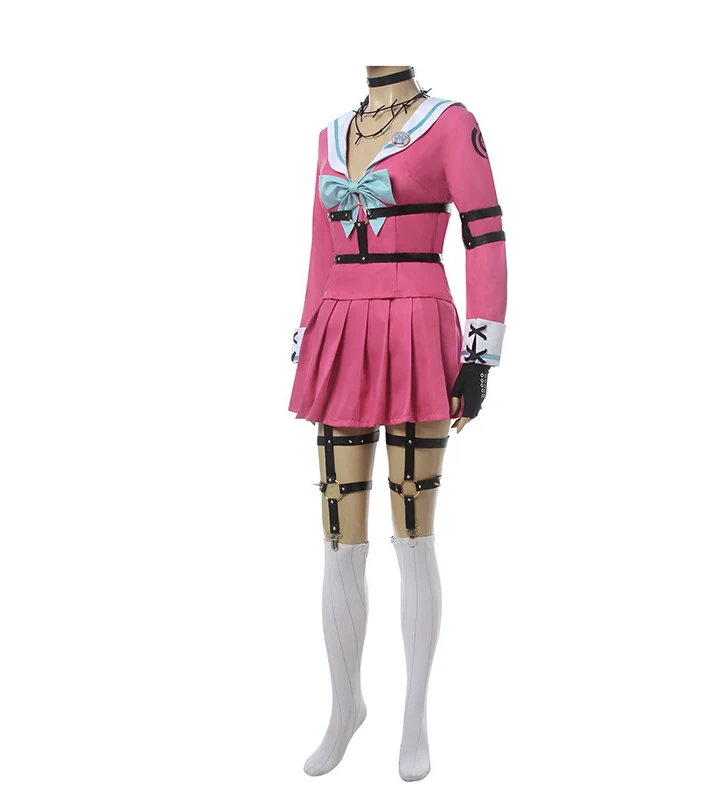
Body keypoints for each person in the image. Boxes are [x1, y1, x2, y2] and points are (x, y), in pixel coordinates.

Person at [288, 66, 508, 781]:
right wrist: (306, 337)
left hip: (418, 327)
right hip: (340, 331)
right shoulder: (330, 133)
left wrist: (480, 353)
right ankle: (345, 706)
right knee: (337, 531)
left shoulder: (450, 122)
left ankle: (414, 717)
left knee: (413, 531)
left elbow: (485, 235)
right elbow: (319, 248)